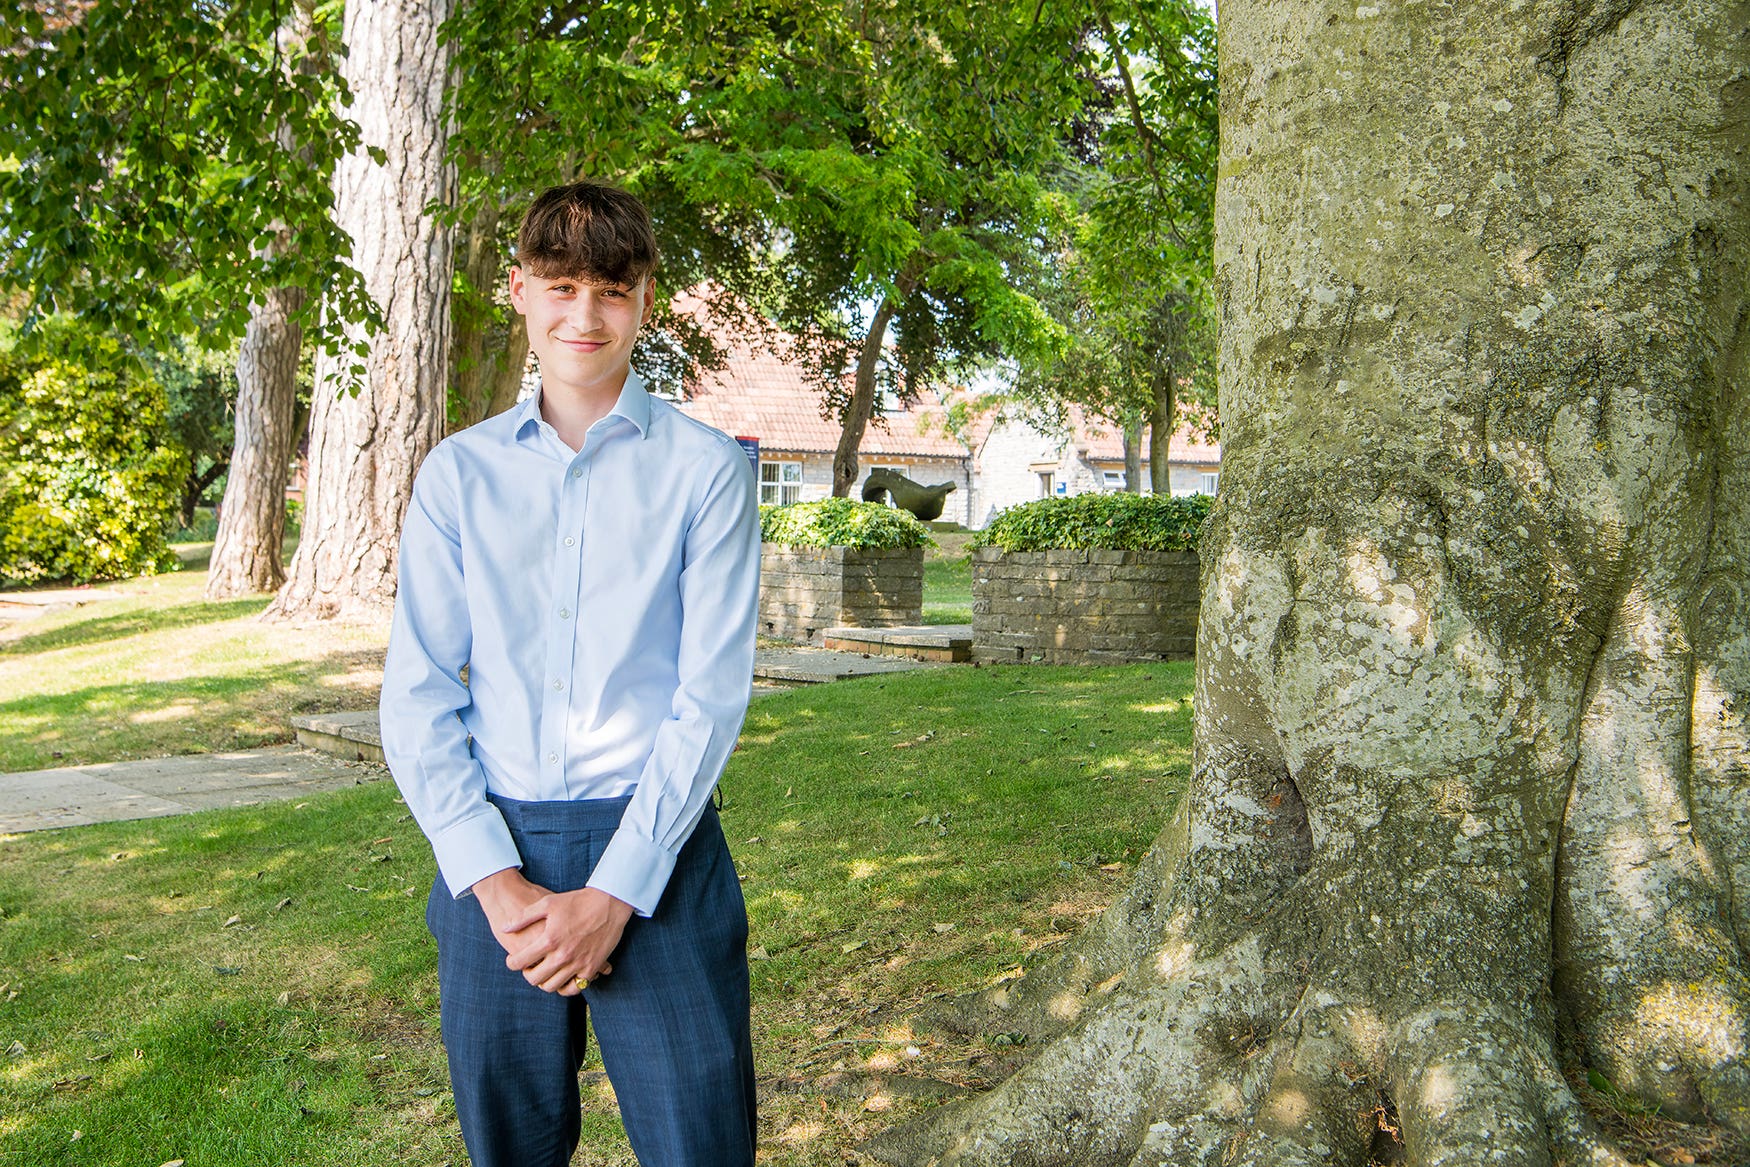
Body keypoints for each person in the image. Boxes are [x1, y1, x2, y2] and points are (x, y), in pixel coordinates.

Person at [380, 180, 761, 1167]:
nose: (582, 316)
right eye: (558, 286)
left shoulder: (706, 471)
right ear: (518, 291)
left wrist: (614, 895)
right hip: (490, 858)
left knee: (699, 1141)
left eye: (610, 289)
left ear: (644, 302)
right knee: (509, 1145)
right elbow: (419, 693)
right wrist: (494, 883)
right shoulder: (456, 476)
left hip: (657, 853)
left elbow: (708, 697)